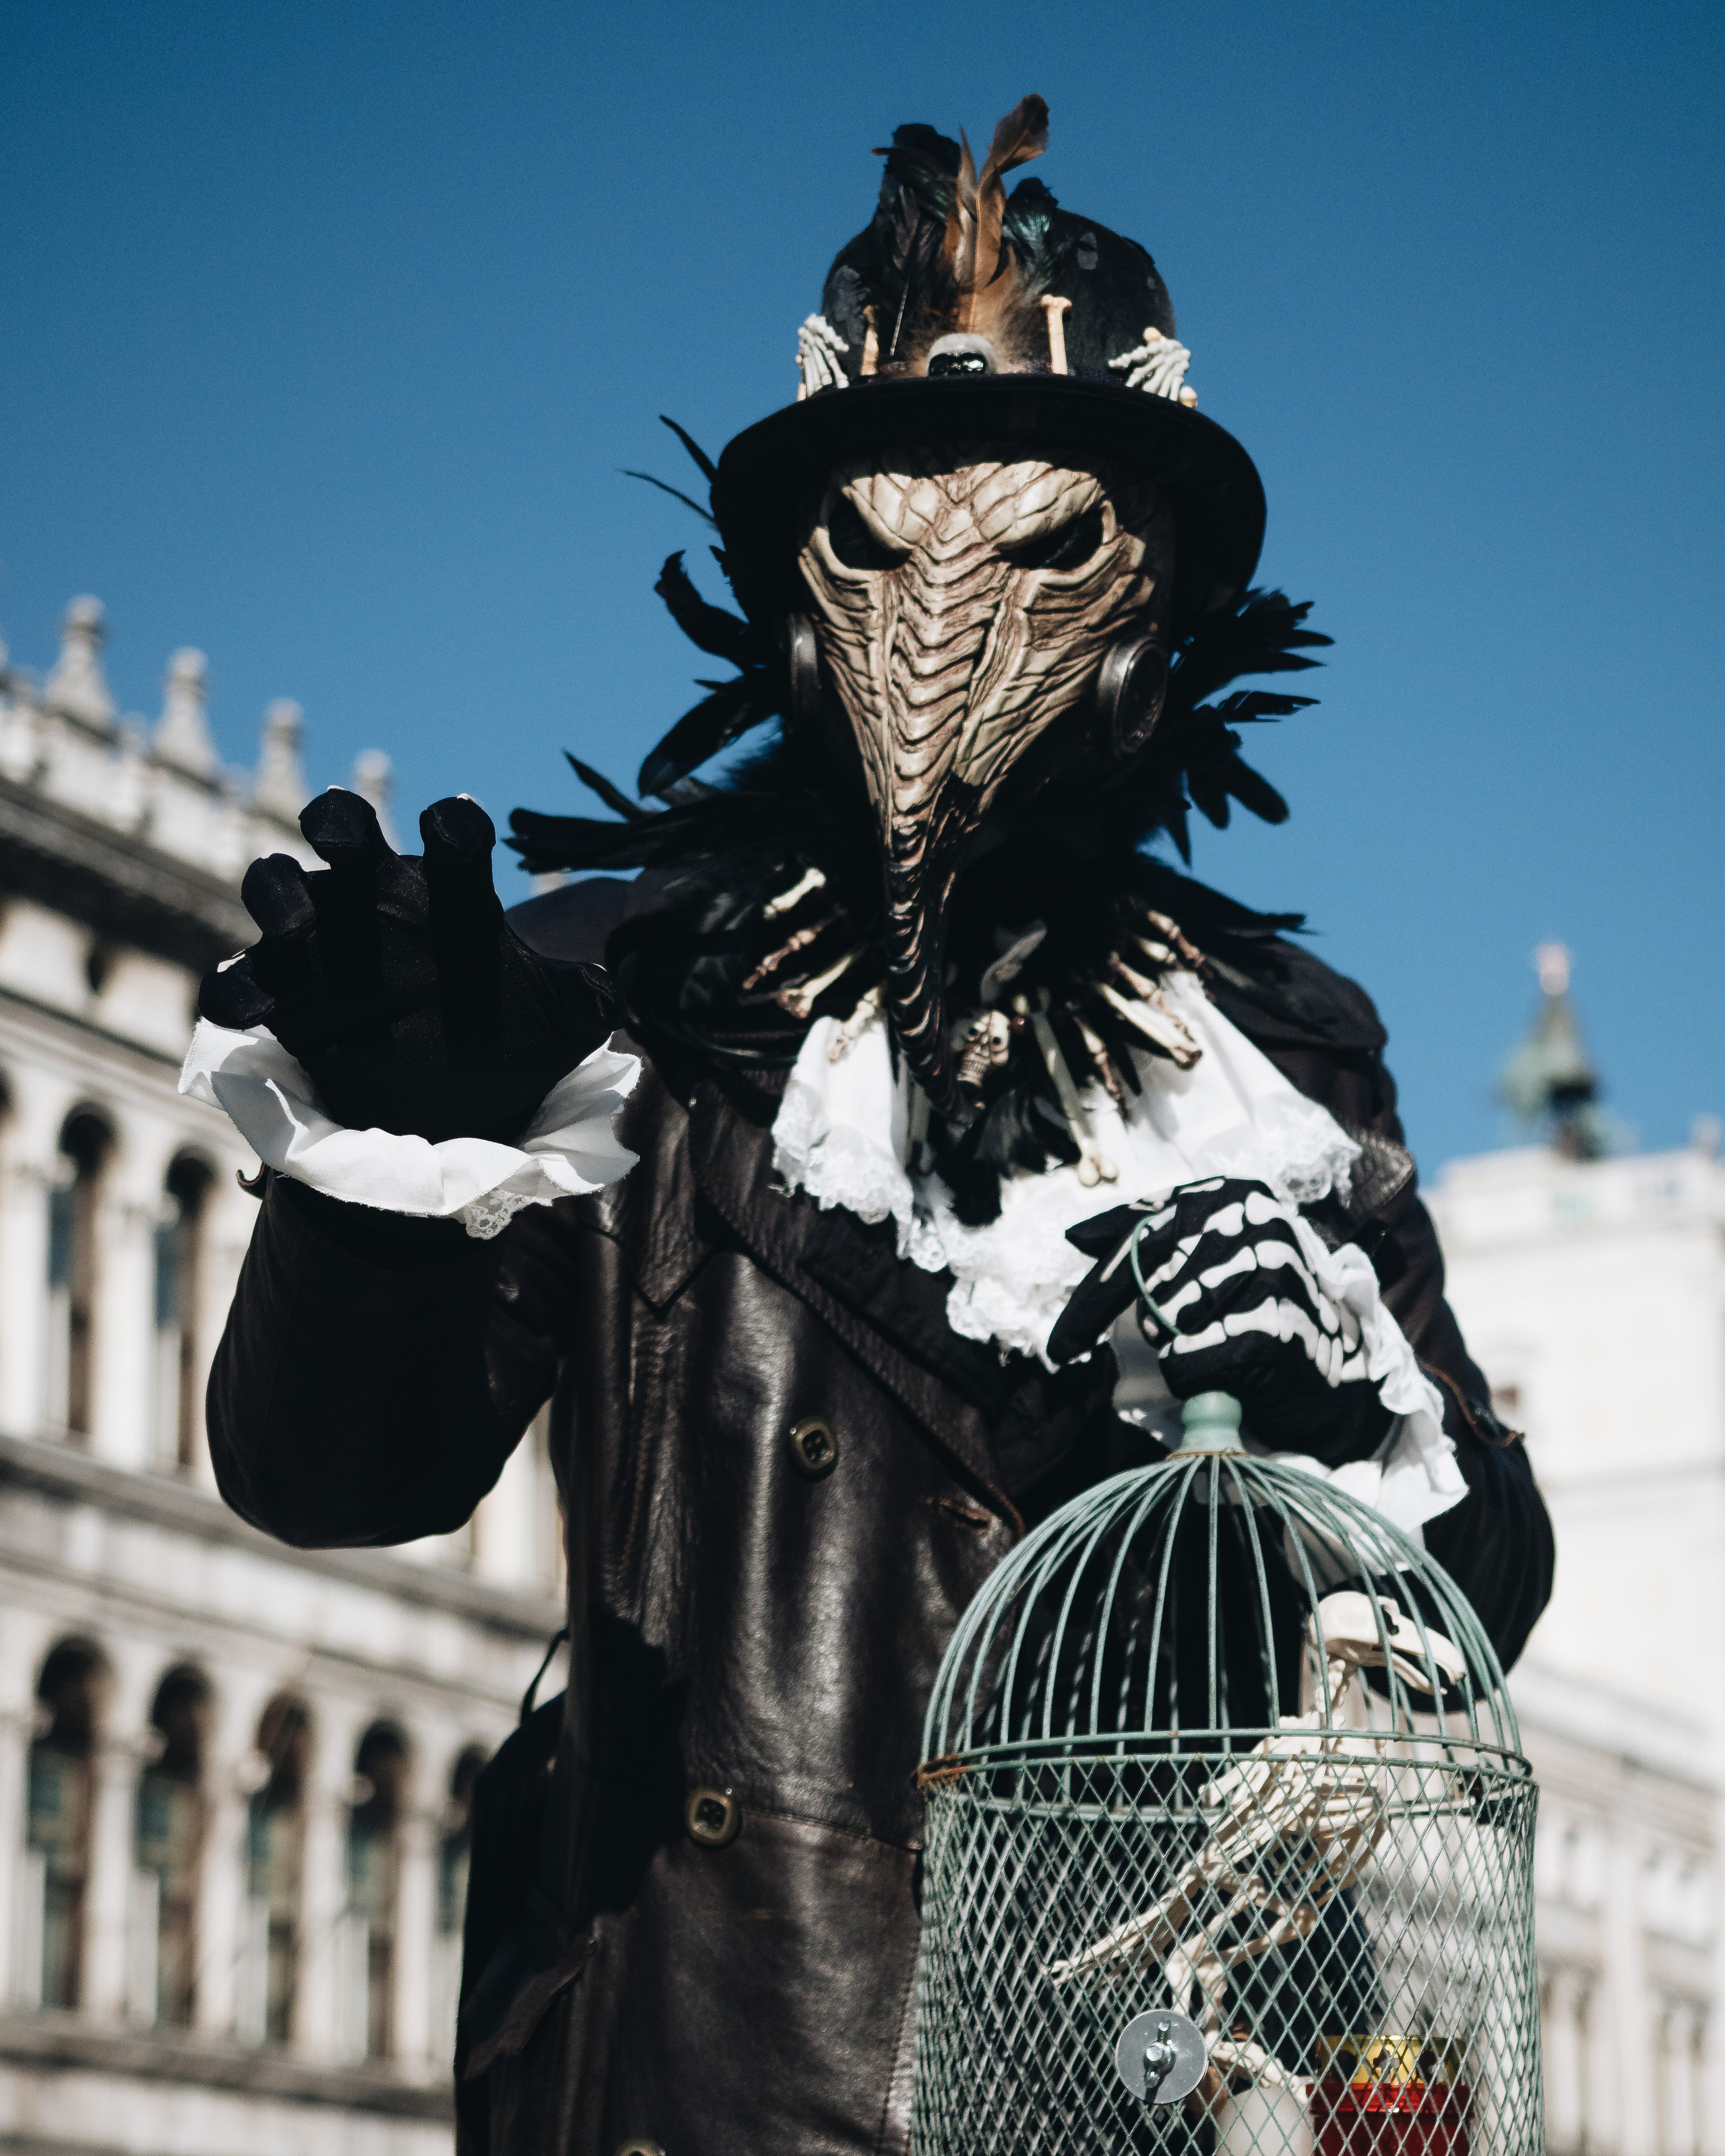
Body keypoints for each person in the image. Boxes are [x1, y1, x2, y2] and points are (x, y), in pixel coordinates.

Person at [189, 97, 1552, 2156]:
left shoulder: (1274, 1050)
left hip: (1158, 2077)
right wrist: (388, 1189)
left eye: (1039, 537)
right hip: (732, 2061)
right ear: (793, 596)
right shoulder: (621, 993)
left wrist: (1325, 1429)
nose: (942, 630)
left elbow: (1485, 1595)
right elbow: (327, 1478)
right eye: (874, 538)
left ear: (1159, 605)